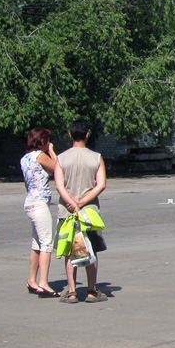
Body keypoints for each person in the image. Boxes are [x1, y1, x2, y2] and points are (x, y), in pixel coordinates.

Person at [55, 120, 107, 303]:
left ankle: (71, 291)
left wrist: (72, 203)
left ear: (70, 135)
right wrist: (83, 202)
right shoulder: (96, 157)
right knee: (91, 250)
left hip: (67, 212)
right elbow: (101, 184)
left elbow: (59, 186)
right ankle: (92, 291)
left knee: (71, 250)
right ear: (87, 135)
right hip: (90, 212)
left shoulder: (61, 158)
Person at [21, 128, 61, 297]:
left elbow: (26, 183)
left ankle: (32, 280)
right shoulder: (39, 155)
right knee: (46, 243)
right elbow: (58, 168)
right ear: (42, 141)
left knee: (36, 243)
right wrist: (52, 151)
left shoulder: (24, 158)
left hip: (30, 201)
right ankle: (44, 283)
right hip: (39, 204)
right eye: (47, 140)